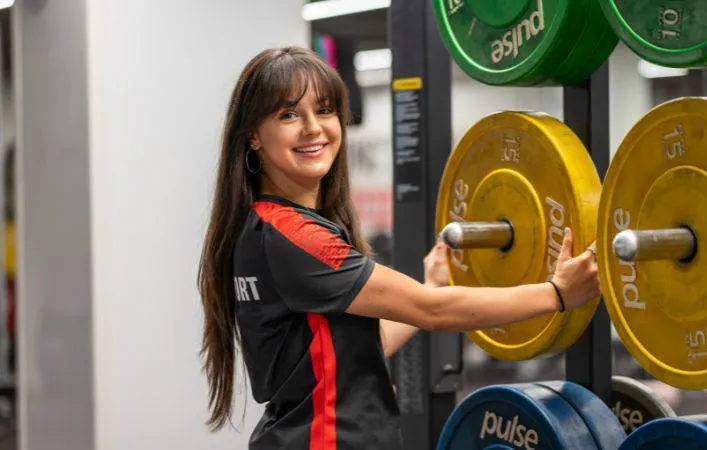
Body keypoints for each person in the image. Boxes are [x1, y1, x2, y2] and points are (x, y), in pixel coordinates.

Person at [197, 46, 600, 450]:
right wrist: (557, 294)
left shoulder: (259, 227)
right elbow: (431, 311)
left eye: (324, 110)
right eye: (288, 115)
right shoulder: (296, 238)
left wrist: (430, 284)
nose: (312, 128)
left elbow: (354, 350)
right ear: (252, 134)